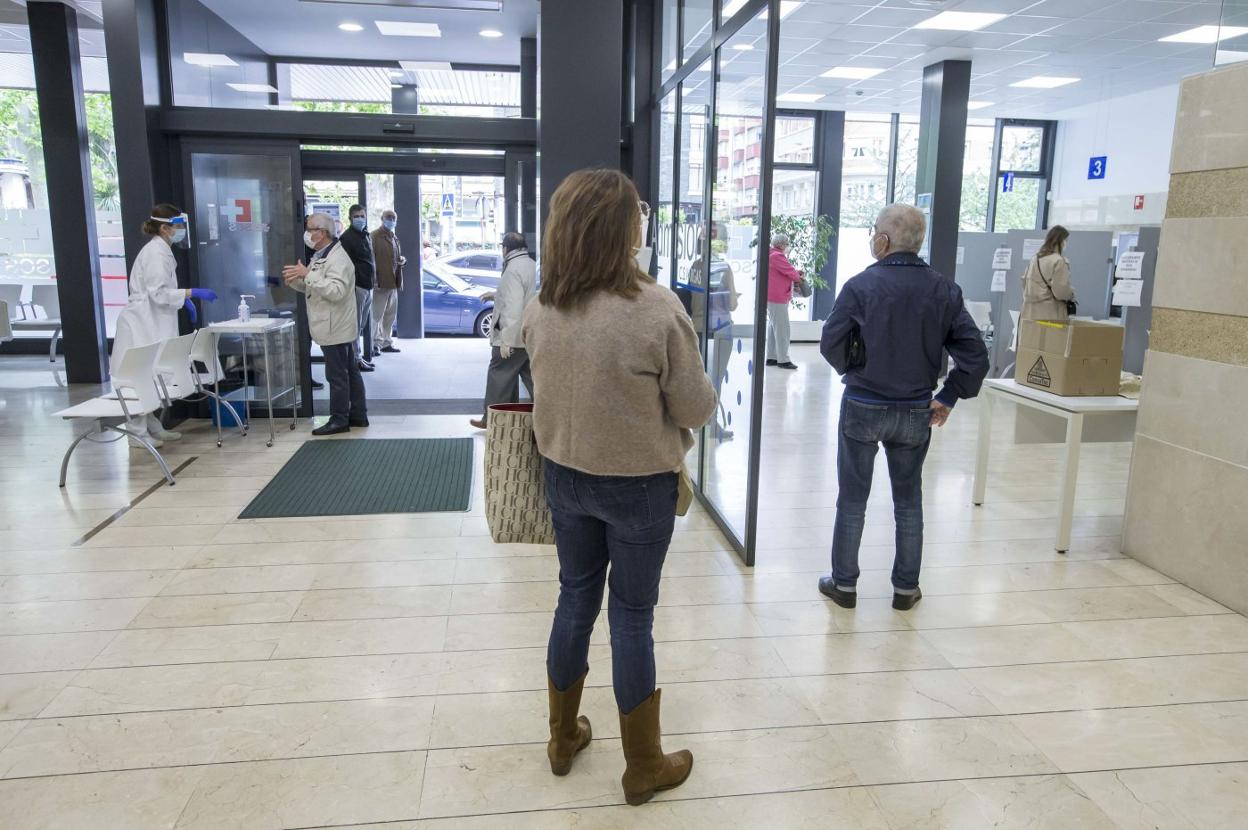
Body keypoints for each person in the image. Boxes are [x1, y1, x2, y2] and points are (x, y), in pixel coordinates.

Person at [523, 168, 717, 806]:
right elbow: (694, 408)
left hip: (564, 476)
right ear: (627, 230)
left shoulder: (544, 306)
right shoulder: (656, 309)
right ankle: (642, 766)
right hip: (636, 486)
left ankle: (561, 739)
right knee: (631, 617)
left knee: (574, 599)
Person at [818, 204, 989, 612]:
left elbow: (830, 342)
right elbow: (975, 357)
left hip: (863, 403)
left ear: (884, 240)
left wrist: (854, 367)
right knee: (909, 500)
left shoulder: (861, 286)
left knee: (853, 497)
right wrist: (948, 396)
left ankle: (844, 584)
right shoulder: (944, 290)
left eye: (875, 230)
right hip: (916, 411)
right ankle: (906, 588)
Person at [111, 203, 217, 448]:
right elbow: (158, 294)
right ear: (164, 227)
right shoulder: (155, 253)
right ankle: (137, 432)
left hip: (153, 320)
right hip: (142, 323)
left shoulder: (162, 250)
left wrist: (184, 300)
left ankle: (151, 424)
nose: (181, 231)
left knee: (151, 374)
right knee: (139, 375)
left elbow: (162, 293)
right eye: (178, 226)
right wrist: (190, 294)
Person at [282, 213, 367, 436]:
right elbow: (317, 287)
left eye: (310, 229)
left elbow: (336, 291)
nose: (307, 233)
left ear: (322, 233)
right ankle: (358, 414)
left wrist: (308, 274)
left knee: (337, 375)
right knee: (349, 371)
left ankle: (340, 419)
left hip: (335, 325)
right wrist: (297, 281)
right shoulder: (322, 255)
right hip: (333, 324)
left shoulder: (338, 258)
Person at [470, 232, 536, 429]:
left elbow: (513, 307)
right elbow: (523, 295)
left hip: (512, 337)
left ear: (505, 248)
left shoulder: (512, 269)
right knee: (533, 379)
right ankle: (551, 415)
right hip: (528, 334)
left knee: (499, 374)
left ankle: (492, 420)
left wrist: (506, 340)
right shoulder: (531, 265)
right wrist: (497, 295)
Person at [339, 204, 376, 370]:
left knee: (360, 324)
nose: (360, 219)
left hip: (368, 285)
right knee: (354, 325)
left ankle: (358, 356)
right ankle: (355, 360)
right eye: (357, 216)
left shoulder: (365, 235)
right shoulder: (347, 238)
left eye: (362, 215)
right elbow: (345, 265)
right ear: (350, 218)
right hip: (357, 285)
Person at [1021, 225, 1074, 323]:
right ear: (1061, 241)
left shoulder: (1034, 259)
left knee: (1032, 338)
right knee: (1051, 338)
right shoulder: (1059, 261)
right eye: (1066, 241)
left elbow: (1024, 282)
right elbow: (1060, 291)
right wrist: (1070, 294)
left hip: (1029, 312)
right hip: (1050, 313)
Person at [766, 233, 803, 370]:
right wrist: (798, 276)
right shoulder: (777, 256)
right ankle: (783, 360)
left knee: (773, 327)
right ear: (781, 244)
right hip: (777, 297)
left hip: (773, 296)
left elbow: (786, 271)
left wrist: (795, 272)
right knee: (782, 329)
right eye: (787, 244)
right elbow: (791, 273)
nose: (788, 246)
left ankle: (772, 357)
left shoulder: (771, 254)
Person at [371, 209, 405, 354]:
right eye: (388, 217)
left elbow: (394, 258)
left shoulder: (394, 237)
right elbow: (371, 261)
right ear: (382, 218)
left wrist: (402, 260)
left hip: (393, 283)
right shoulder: (374, 236)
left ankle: (386, 342)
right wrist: (374, 280)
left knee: (390, 316)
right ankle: (374, 344)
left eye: (393, 218)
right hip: (380, 283)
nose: (391, 220)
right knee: (376, 316)